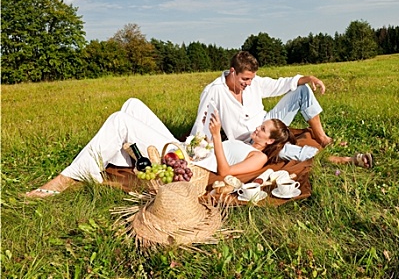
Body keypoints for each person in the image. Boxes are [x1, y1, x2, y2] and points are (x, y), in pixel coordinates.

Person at [25, 98, 296, 198]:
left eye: (263, 129)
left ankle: (64, 179)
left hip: (188, 162)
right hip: (183, 148)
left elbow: (225, 172)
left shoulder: (257, 157)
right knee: (132, 105)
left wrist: (215, 137)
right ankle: (94, 167)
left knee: (120, 121)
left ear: (270, 141)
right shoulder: (248, 141)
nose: (257, 128)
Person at [191, 51, 332, 161]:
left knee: (302, 89)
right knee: (277, 150)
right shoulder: (214, 91)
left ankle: (322, 138)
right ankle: (324, 158)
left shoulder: (254, 82)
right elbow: (200, 125)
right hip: (248, 141)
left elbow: (279, 84)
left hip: (267, 124)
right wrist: (195, 148)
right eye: (245, 79)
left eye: (251, 79)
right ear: (233, 71)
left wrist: (308, 78)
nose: (249, 83)